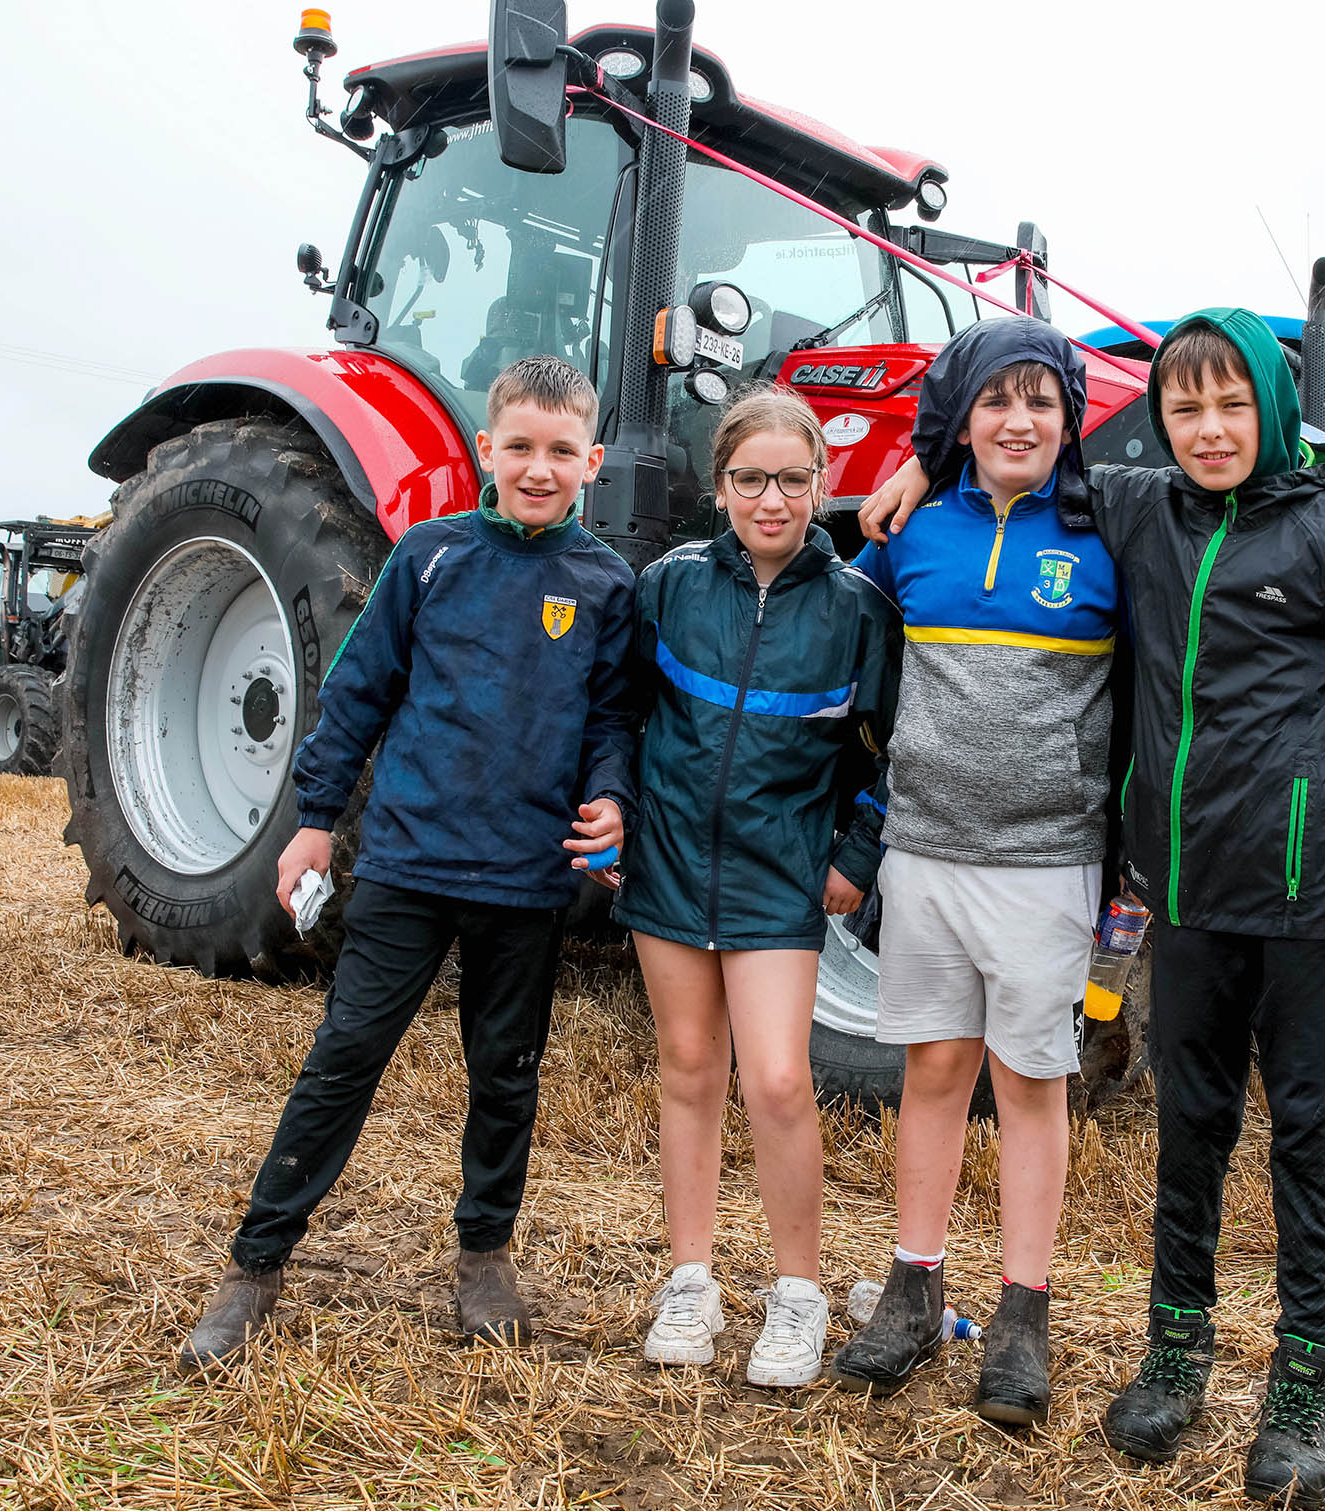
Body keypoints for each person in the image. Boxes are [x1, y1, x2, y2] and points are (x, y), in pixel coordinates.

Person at [859, 307, 1325, 1509]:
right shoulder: (1133, 511)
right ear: (1159, 422)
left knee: (1308, 1150)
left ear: (1270, 411)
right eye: (1186, 408)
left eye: (1232, 404)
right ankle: (1173, 1357)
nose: (1209, 427)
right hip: (1181, 897)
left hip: (1310, 904)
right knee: (1188, 1138)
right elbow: (1008, 436)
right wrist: (924, 450)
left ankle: (1301, 1390)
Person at [179, 355, 635, 1367]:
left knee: (505, 1074)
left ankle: (483, 1259)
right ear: (486, 447)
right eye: (518, 445)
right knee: (344, 1058)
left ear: (591, 461)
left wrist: (611, 798)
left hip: (526, 877)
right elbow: (358, 695)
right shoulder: (428, 558)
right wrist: (310, 818)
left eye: (560, 450)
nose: (537, 467)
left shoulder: (606, 584)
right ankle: (253, 1265)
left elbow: (612, 718)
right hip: (408, 865)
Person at [829, 316, 1125, 1428]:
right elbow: (840, 643)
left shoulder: (1107, 535)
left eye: (1039, 401)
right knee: (933, 1070)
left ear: (1070, 417)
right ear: (958, 415)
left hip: (1047, 860)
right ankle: (911, 1290)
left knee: (1029, 1083)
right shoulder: (912, 535)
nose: (1018, 420)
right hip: (924, 853)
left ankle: (1022, 1314)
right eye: (992, 401)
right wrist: (915, 462)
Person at [614, 385, 900, 1388]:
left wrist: (854, 859)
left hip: (781, 873)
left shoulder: (859, 610)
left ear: (821, 483)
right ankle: (688, 1278)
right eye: (748, 479)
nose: (769, 500)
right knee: (689, 1064)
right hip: (670, 862)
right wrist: (616, 806)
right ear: (719, 484)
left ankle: (797, 1292)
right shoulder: (669, 585)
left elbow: (891, 756)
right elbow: (618, 711)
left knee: (775, 1079)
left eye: (789, 479)